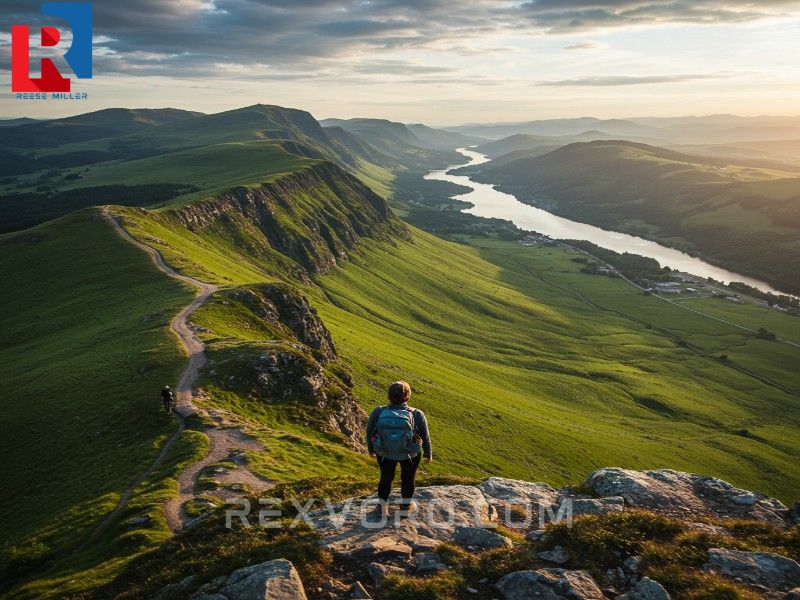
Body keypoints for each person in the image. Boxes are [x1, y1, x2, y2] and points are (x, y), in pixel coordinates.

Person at [366, 380, 432, 517]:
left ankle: (382, 507)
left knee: (386, 477)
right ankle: (405, 508)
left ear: (389, 395)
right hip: (410, 453)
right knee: (408, 479)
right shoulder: (416, 414)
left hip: (385, 452)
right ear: (408, 396)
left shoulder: (379, 411)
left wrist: (371, 449)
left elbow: (369, 431)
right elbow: (425, 436)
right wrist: (427, 453)